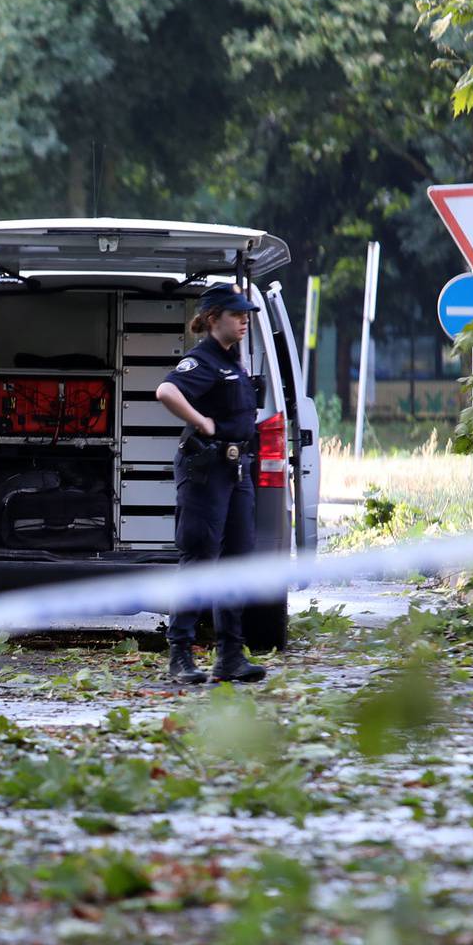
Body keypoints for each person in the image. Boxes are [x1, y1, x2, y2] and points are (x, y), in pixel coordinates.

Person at [154, 283, 268, 685]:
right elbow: (166, 390)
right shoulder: (203, 360)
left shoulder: (232, 360)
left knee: (236, 562)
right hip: (206, 471)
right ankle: (180, 655)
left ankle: (231, 657)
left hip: (235, 471)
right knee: (200, 561)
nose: (244, 321)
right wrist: (202, 422)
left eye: (246, 314)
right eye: (236, 314)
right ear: (214, 317)